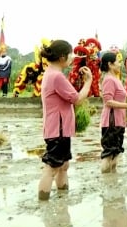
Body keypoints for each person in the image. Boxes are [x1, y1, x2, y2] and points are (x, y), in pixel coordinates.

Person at [38, 40, 93, 200]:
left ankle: (63, 199)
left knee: (63, 165)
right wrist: (88, 82)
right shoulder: (56, 76)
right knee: (52, 167)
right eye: (71, 55)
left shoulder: (52, 73)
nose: (73, 58)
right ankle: (43, 203)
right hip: (58, 129)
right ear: (62, 57)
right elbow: (76, 99)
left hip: (57, 127)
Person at [99, 52, 127, 173]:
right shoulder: (108, 80)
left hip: (119, 121)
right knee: (109, 154)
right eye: (117, 62)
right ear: (110, 64)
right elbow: (108, 102)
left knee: (116, 152)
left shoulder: (116, 79)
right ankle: (106, 182)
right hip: (111, 122)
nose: (120, 65)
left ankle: (113, 181)